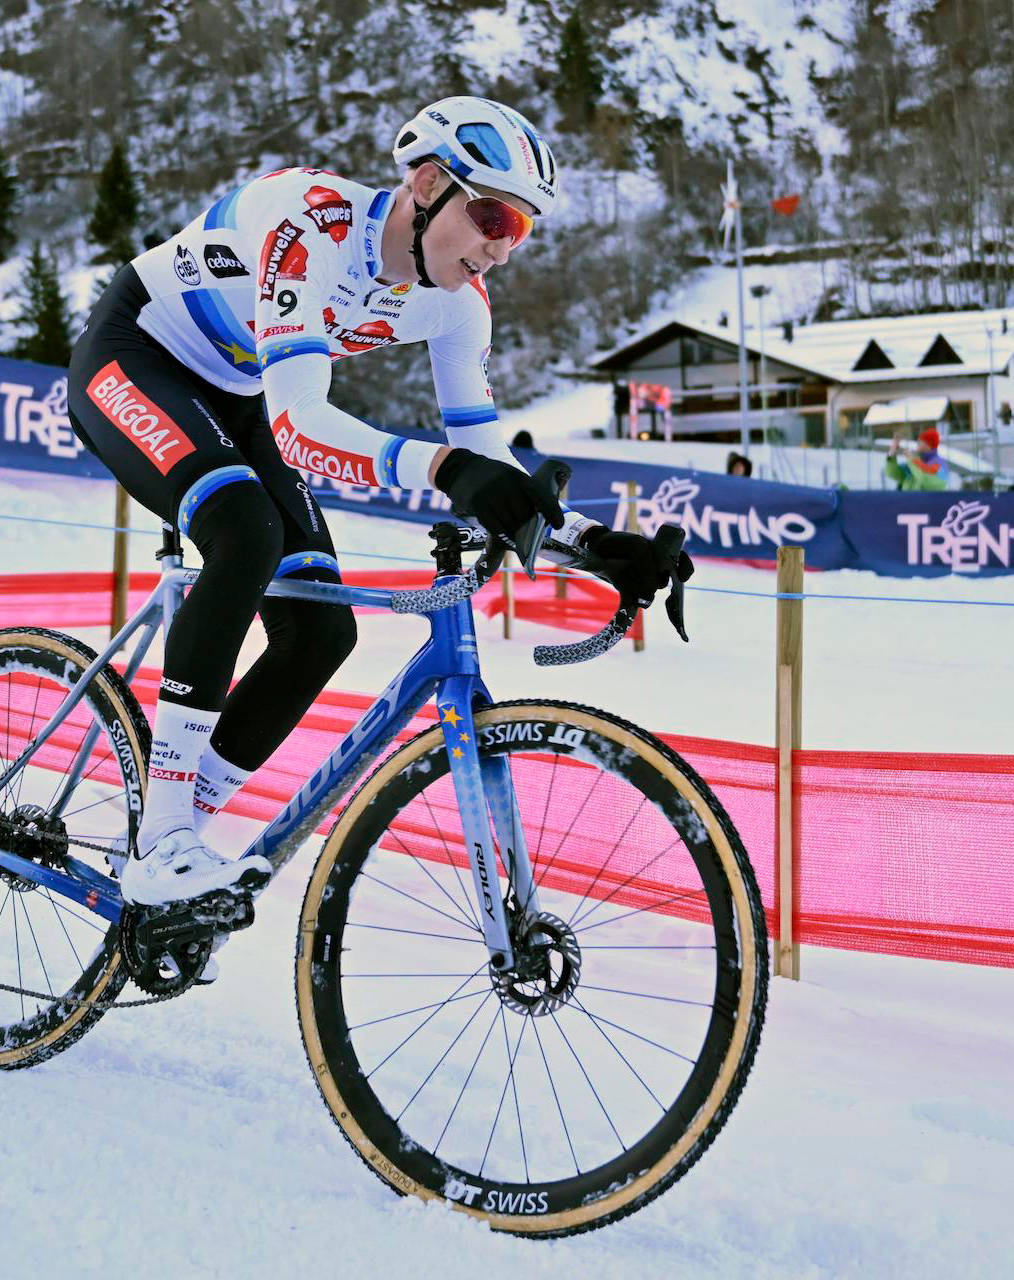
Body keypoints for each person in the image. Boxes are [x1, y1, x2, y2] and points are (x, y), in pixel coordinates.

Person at [66, 98, 670, 910]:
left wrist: (594, 544)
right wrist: (445, 469)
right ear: (426, 184)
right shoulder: (308, 226)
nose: (499, 244)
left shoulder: (458, 304)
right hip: (137, 353)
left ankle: (172, 847)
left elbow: (486, 460)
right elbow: (303, 431)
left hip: (244, 395)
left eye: (519, 229)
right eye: (490, 213)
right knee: (243, 529)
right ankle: (163, 836)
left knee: (320, 631)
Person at [885, 426, 948, 491]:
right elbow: (892, 473)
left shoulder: (940, 464)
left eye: (920, 441)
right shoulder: (916, 462)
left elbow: (925, 479)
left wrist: (913, 460)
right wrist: (891, 454)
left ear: (929, 445)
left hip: (928, 501)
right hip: (908, 500)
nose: (917, 443)